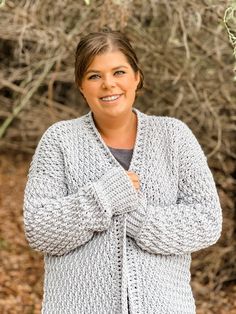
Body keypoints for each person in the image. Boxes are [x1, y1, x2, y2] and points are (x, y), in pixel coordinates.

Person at [23, 28, 222, 314]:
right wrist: (103, 198)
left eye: (119, 72)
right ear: (81, 85)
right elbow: (39, 229)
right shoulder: (59, 140)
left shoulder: (174, 137)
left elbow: (207, 221)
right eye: (94, 76)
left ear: (136, 77)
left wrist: (138, 220)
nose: (108, 84)